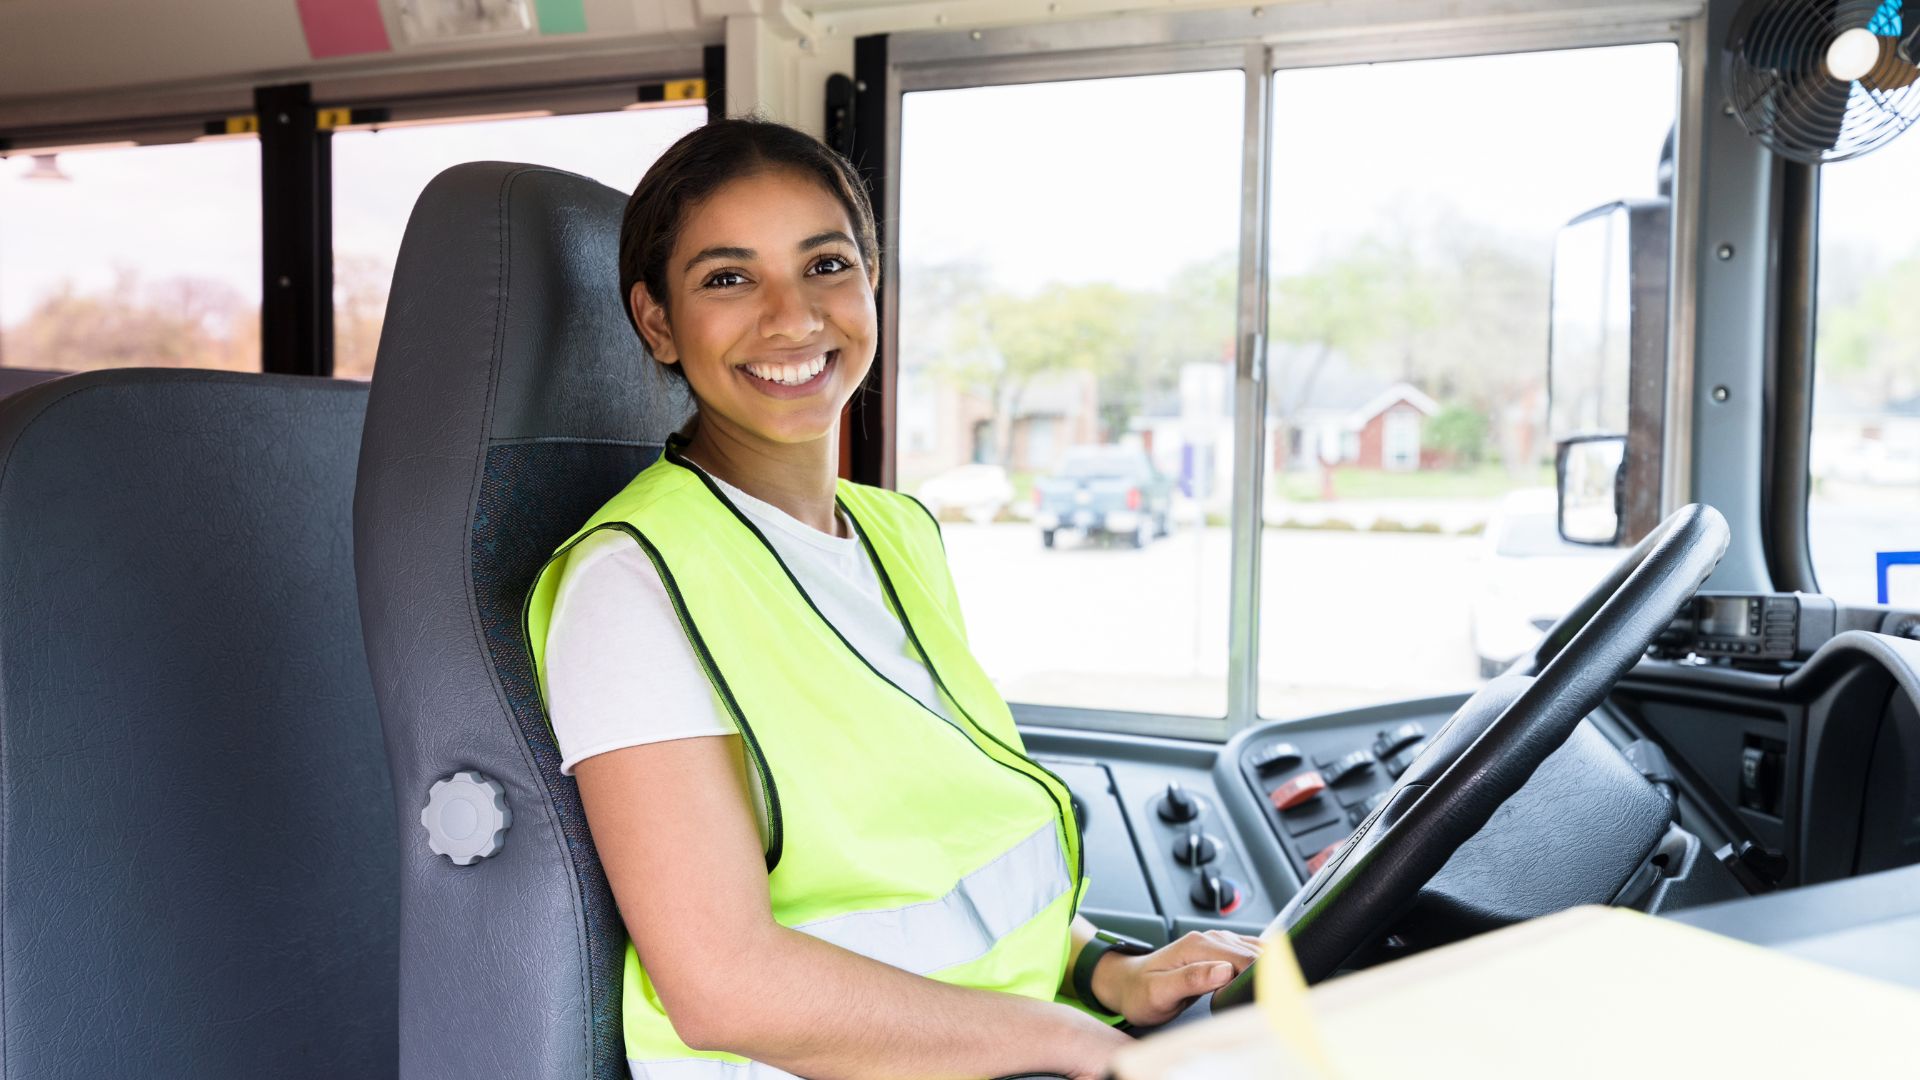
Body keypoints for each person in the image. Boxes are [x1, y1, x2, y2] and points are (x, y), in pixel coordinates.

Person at [523, 117, 1264, 1080]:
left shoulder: (897, 534)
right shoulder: (630, 584)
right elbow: (721, 985)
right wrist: (1071, 1041)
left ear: (873, 281)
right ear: (658, 322)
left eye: (825, 264)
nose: (793, 318)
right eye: (728, 277)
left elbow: (937, 847)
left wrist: (1103, 972)